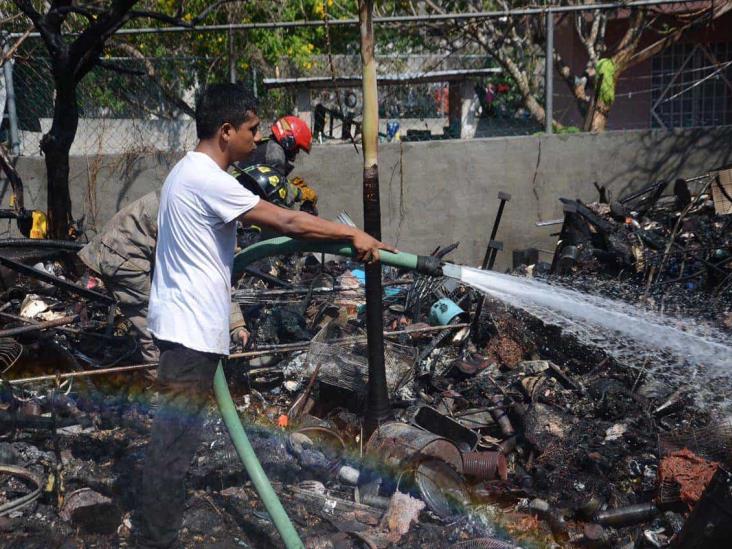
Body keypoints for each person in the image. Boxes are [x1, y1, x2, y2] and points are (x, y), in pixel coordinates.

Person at [138, 83, 394, 547]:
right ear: (225, 130)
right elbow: (287, 222)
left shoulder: (187, 173)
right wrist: (352, 235)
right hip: (190, 333)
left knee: (174, 443)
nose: (257, 140)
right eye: (252, 130)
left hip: (186, 329)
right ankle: (156, 540)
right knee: (172, 450)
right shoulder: (206, 179)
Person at [237, 115, 318, 213]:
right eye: (297, 148)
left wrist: (289, 184)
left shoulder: (267, 144)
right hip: (246, 210)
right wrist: (299, 193)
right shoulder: (276, 153)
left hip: (245, 200)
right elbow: (274, 193)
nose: (297, 152)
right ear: (289, 140)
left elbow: (268, 182)